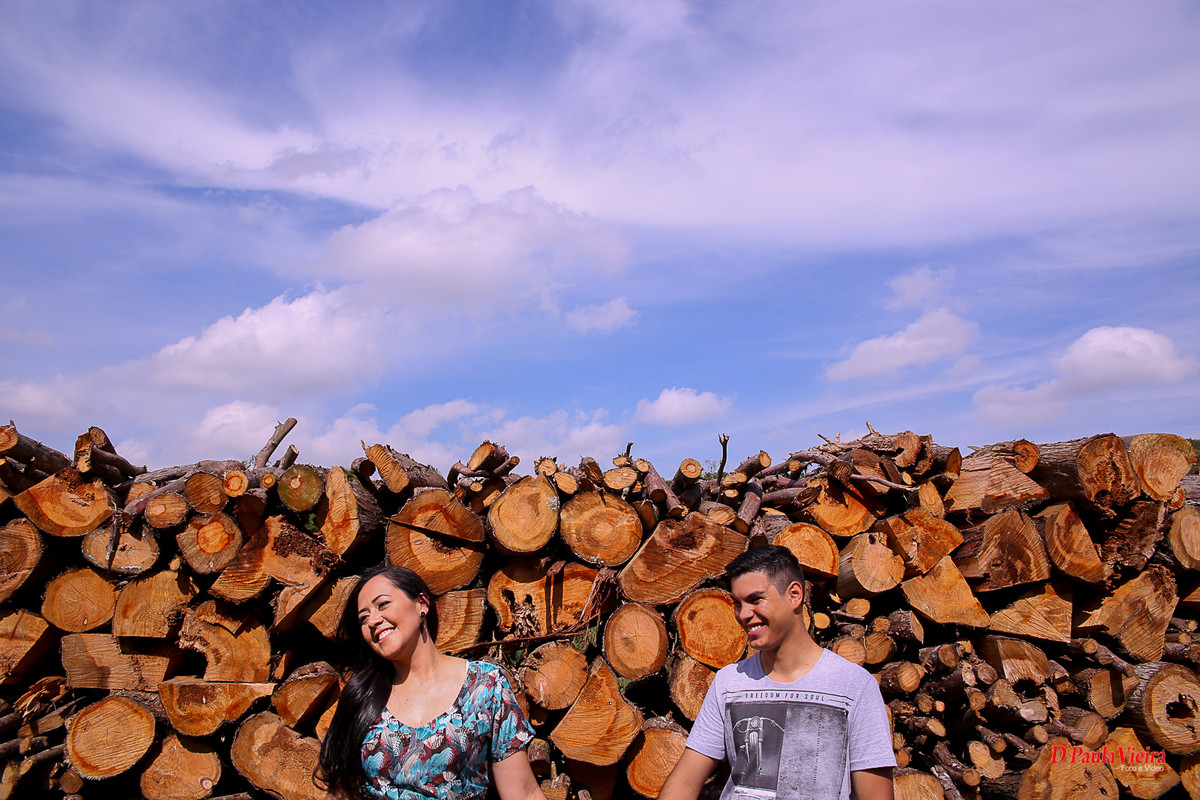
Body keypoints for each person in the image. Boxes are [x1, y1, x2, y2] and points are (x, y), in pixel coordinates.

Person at [659, 546, 896, 800]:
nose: (744, 614)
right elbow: (684, 783)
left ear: (794, 594)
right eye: (738, 604)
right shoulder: (729, 682)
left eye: (755, 599)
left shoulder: (853, 687)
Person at [315, 565, 547, 800]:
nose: (373, 620)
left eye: (382, 604)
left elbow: (523, 793)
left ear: (422, 604)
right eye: (363, 617)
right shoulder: (362, 697)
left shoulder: (485, 686)